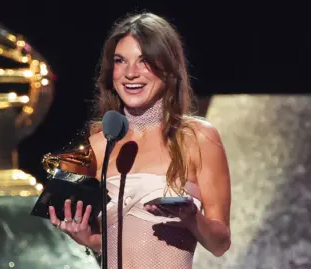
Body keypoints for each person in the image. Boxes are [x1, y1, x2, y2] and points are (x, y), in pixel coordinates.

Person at [48, 11, 231, 268]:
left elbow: (220, 244)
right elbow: (120, 240)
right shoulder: (99, 145)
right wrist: (90, 240)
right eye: (120, 61)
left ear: (168, 69)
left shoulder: (198, 137)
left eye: (144, 61)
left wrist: (192, 218)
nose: (130, 73)